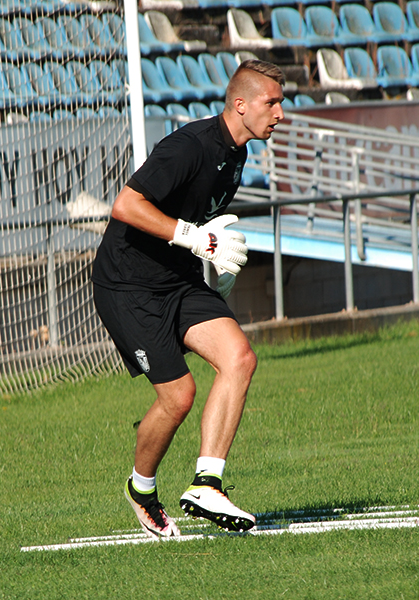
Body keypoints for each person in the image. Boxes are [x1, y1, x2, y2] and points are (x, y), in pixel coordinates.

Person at [91, 59, 285, 537]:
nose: (280, 113)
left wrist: (212, 265)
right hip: (128, 284)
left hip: (177, 277)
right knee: (178, 397)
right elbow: (126, 205)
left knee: (239, 358)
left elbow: (198, 226)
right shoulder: (189, 146)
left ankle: (207, 484)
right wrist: (193, 238)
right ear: (240, 105)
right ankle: (141, 488)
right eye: (272, 102)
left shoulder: (237, 154)